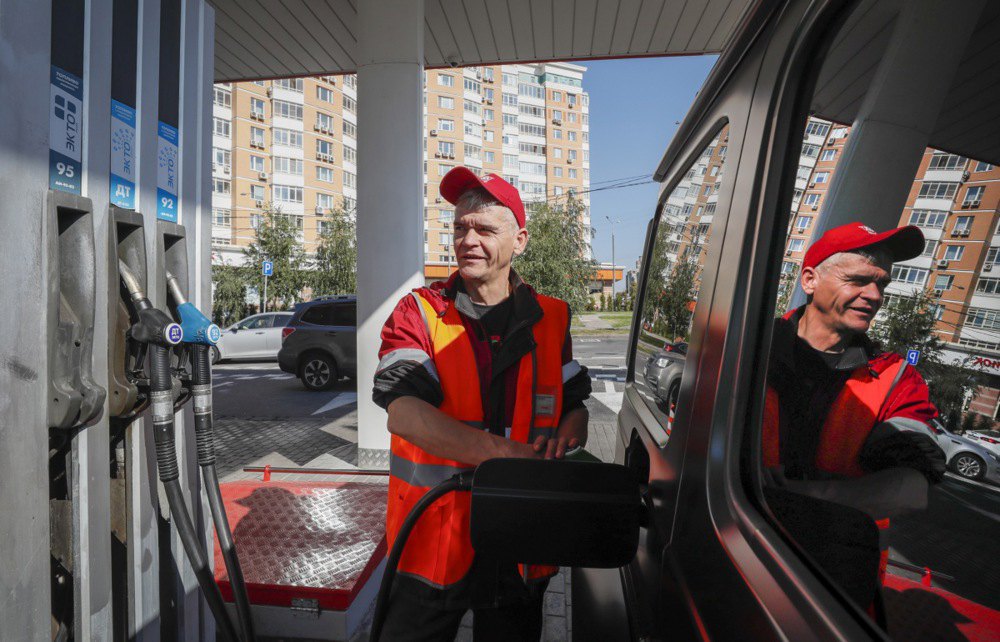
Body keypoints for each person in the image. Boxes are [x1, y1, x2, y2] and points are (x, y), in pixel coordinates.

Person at [372, 167, 592, 641]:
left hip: (519, 538)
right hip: (433, 539)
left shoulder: (551, 318)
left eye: (485, 228)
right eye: (459, 227)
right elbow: (403, 411)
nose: (468, 239)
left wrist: (569, 439)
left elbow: (576, 406)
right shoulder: (420, 312)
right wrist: (512, 455)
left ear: (521, 241)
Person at [764, 221, 946, 614]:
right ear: (810, 280)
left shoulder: (897, 377)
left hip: (832, 578)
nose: (874, 296)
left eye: (883, 284)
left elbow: (911, 489)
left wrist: (810, 496)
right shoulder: (750, 346)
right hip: (729, 543)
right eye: (859, 280)